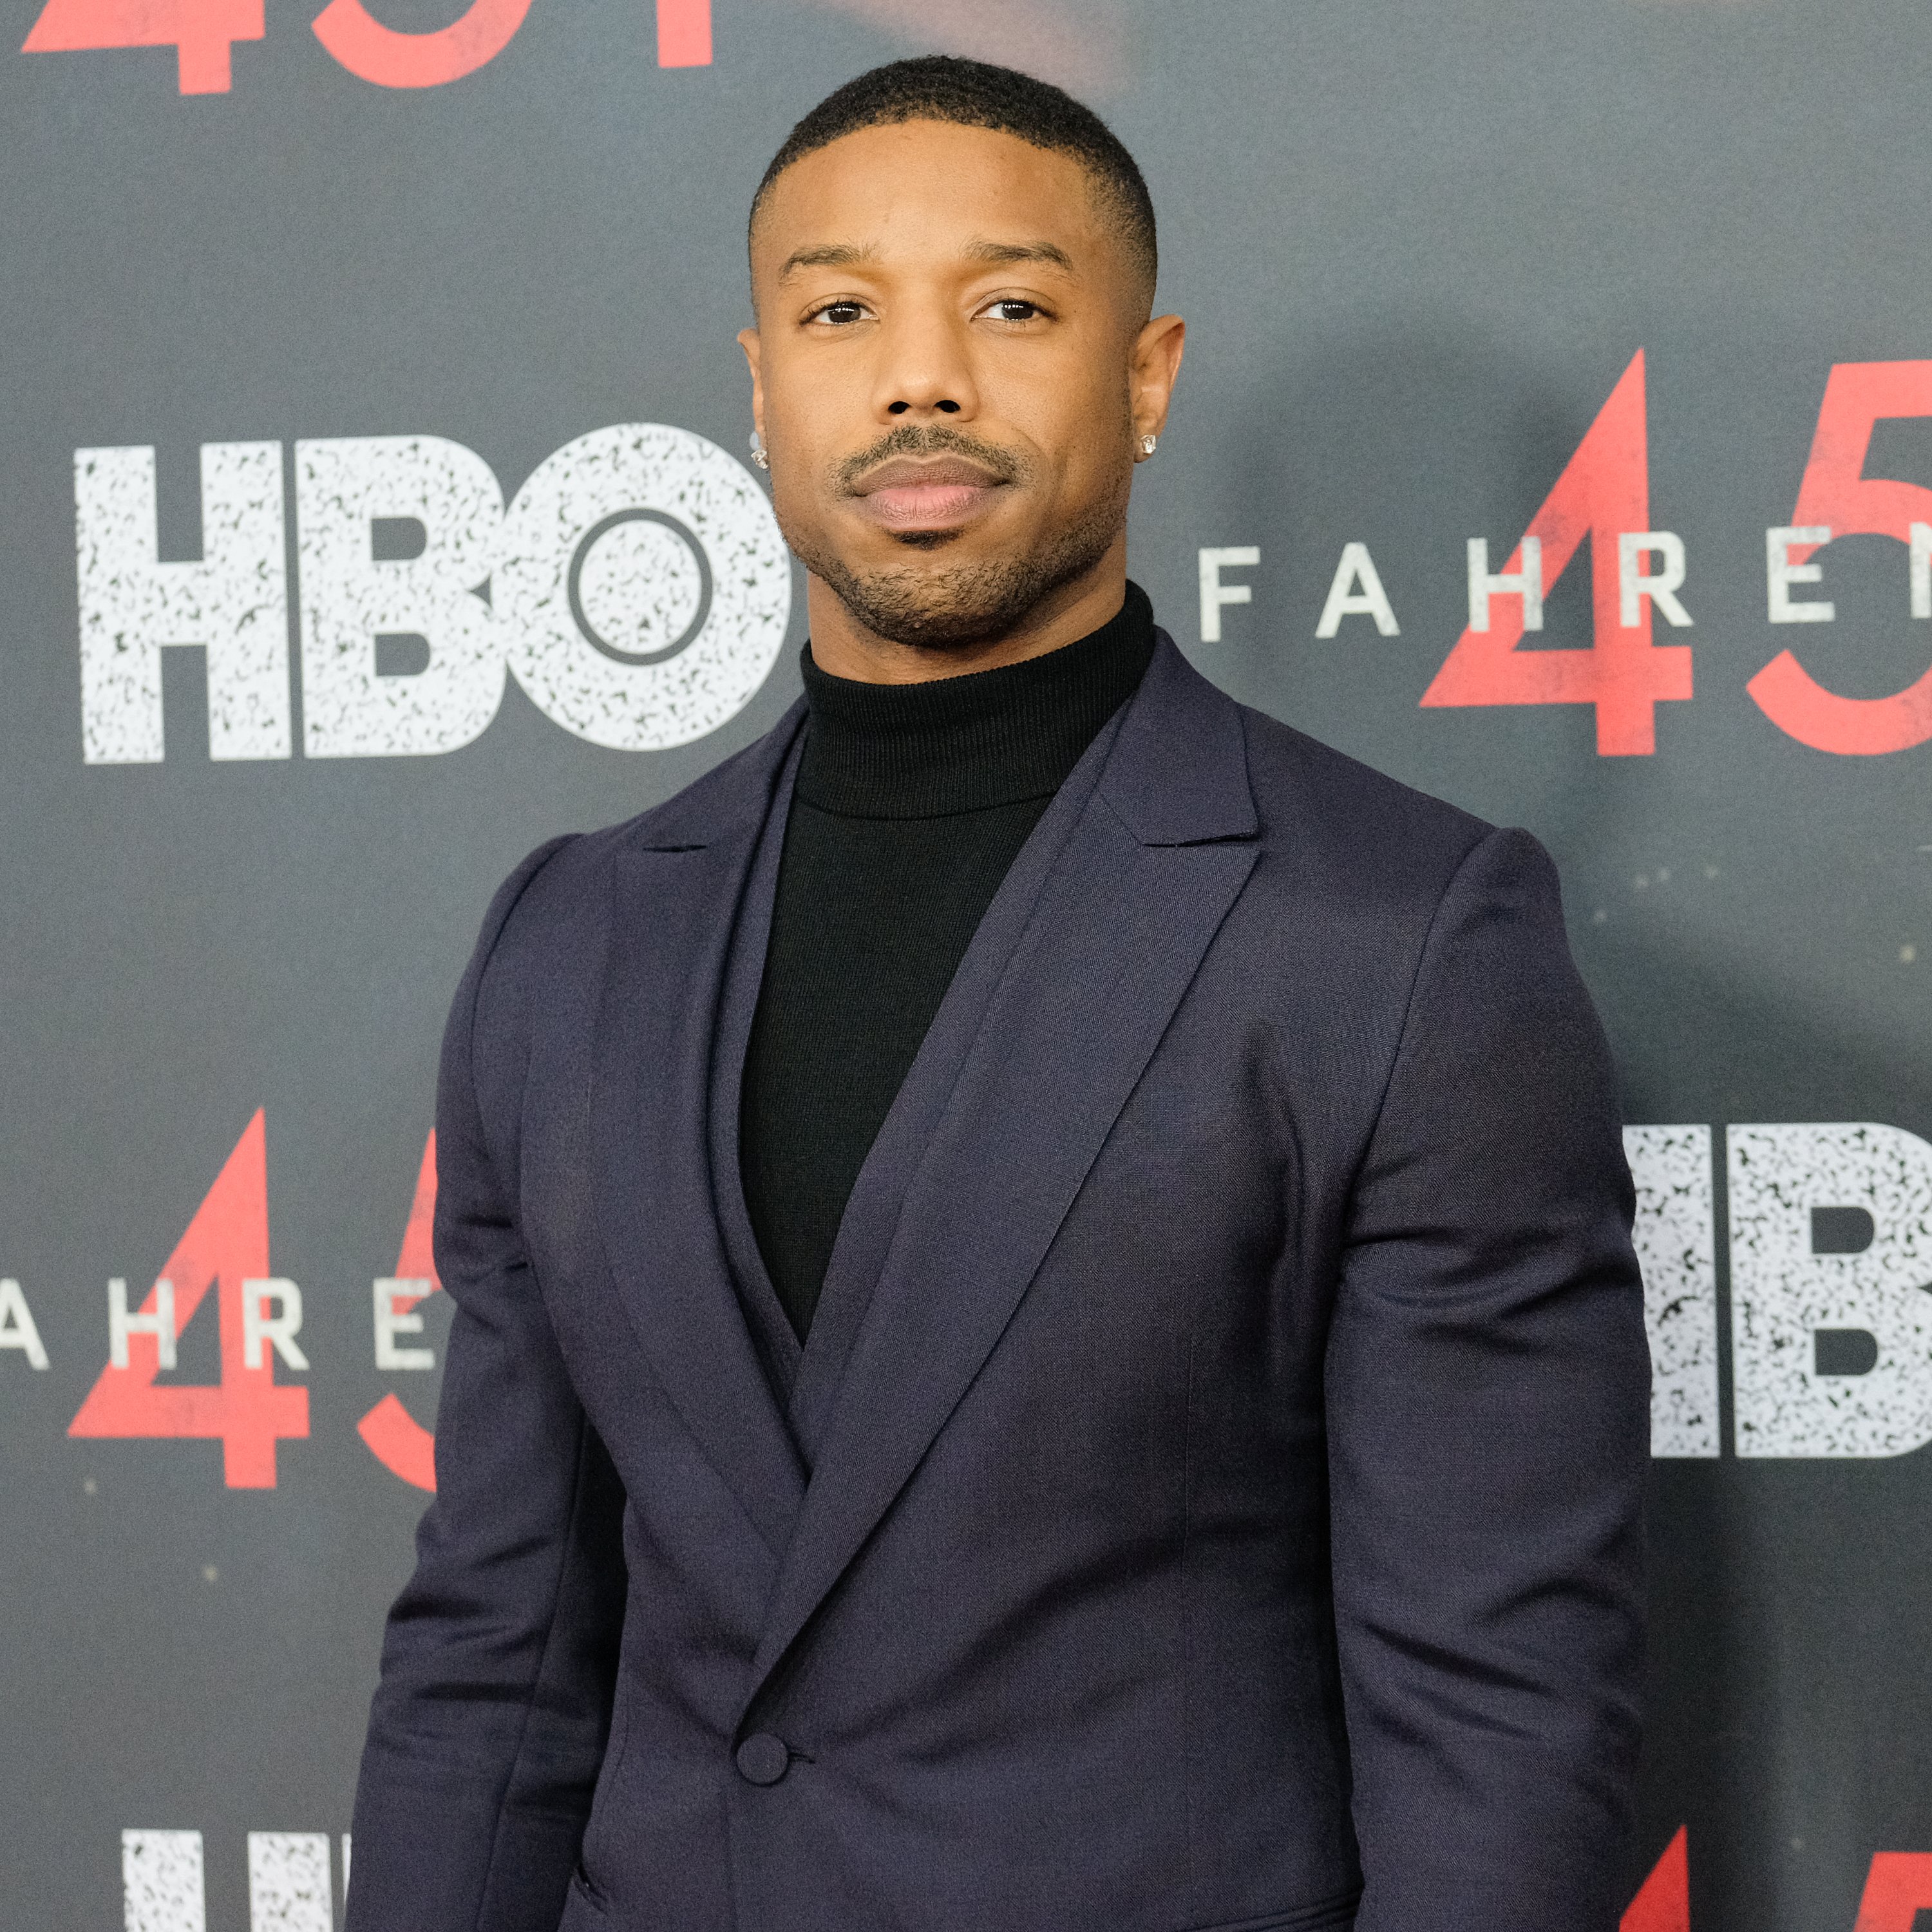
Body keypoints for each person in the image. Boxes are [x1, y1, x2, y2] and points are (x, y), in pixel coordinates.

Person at [346, 55, 1649, 1932]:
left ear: (1145, 377)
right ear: (762, 382)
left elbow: (1500, 1729)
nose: (920, 376)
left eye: (1013, 306)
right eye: (841, 310)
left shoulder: (1401, 938)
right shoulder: (568, 943)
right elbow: (493, 1652)